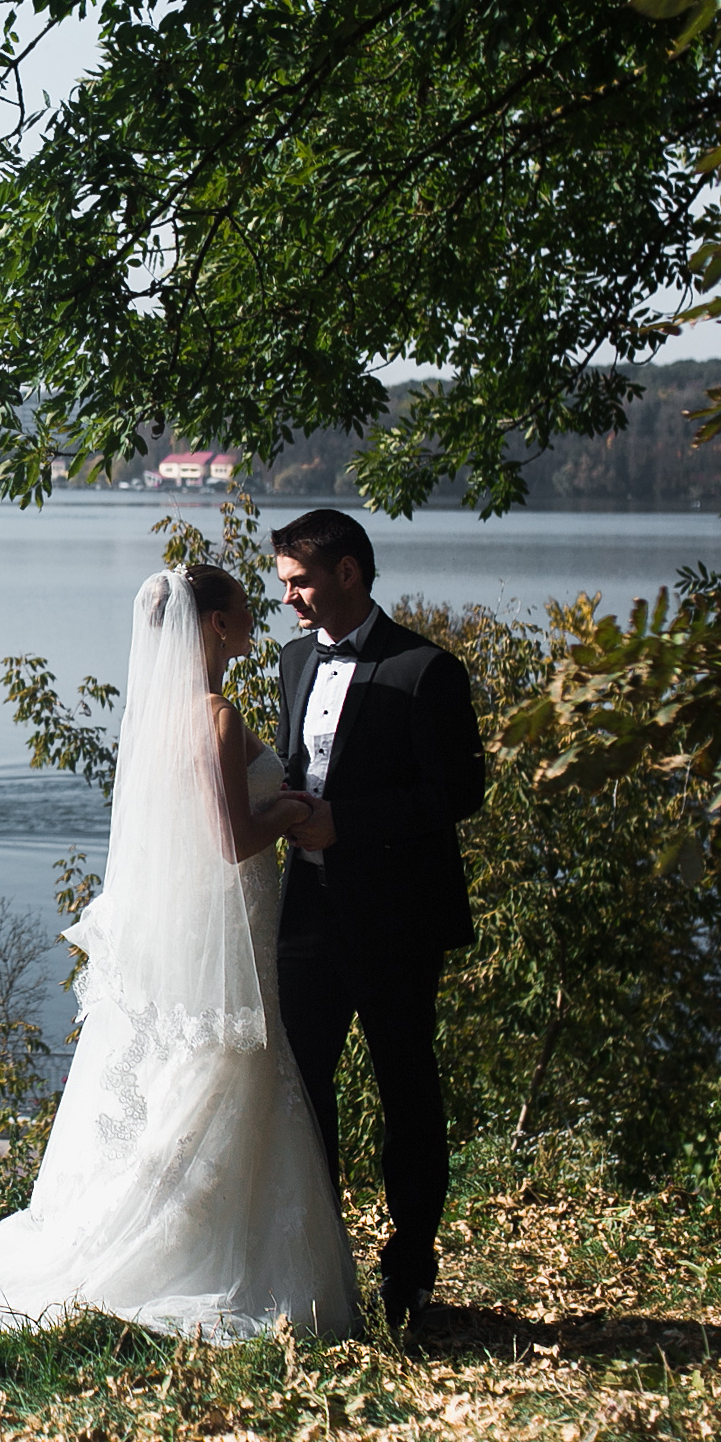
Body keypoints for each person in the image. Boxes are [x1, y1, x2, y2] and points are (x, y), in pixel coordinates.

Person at [0, 566, 356, 1338]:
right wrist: (288, 811)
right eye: (244, 609)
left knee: (190, 1072)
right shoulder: (215, 715)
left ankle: (194, 1230)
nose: (256, 618)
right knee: (228, 1066)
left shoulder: (159, 716)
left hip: (197, 928)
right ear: (214, 624)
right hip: (230, 923)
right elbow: (229, 839)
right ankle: (206, 1255)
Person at [270, 508, 488, 1330]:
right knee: (300, 1090)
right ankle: (320, 1263)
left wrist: (346, 824)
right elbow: (302, 766)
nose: (288, 597)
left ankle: (410, 1270)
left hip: (398, 917)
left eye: (299, 581)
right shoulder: (293, 662)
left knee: (406, 1090)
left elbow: (459, 793)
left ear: (349, 574)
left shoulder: (426, 670)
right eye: (284, 582)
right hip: (308, 918)